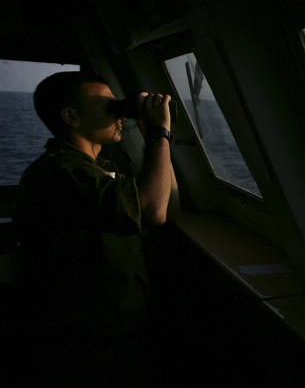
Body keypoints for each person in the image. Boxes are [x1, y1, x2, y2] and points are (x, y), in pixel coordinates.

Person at [11, 71, 179, 386]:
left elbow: (169, 204)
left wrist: (153, 136)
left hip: (109, 329)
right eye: (107, 105)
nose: (119, 114)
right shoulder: (65, 174)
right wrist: (160, 133)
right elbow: (154, 212)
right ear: (71, 117)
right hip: (84, 341)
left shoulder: (97, 170)